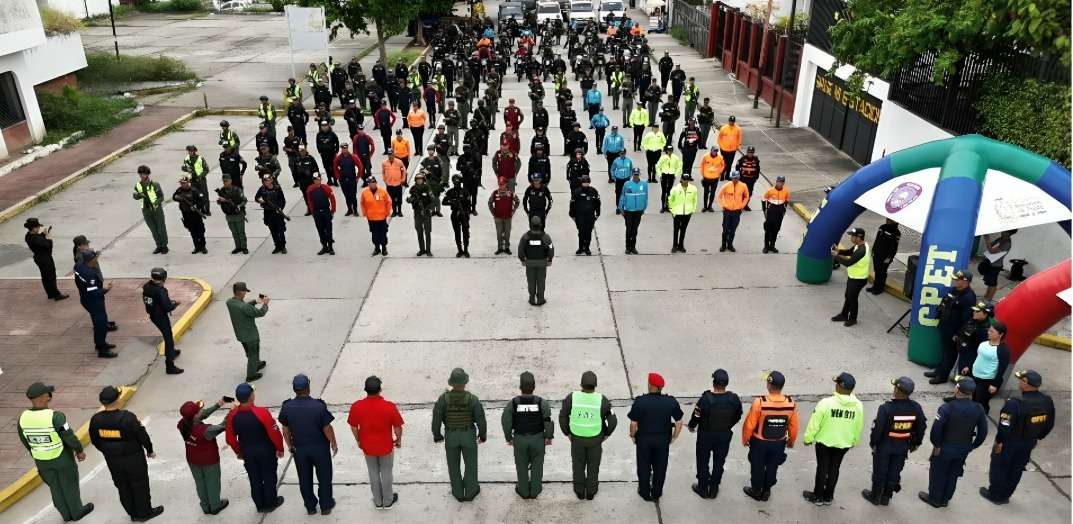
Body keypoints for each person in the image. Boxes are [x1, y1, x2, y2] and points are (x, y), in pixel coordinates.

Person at [18, 383, 94, 522]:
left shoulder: (23, 418)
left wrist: (38, 452)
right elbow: (68, 436)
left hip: (42, 462)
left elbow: (25, 441)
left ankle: (66, 515)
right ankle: (77, 512)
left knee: (55, 488)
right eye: (48, 393)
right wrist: (79, 450)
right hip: (62, 458)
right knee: (69, 485)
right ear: (43, 398)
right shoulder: (56, 416)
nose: (49, 395)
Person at [90, 386, 164, 521]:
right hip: (133, 458)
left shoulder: (96, 420)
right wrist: (149, 450)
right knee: (139, 485)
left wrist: (107, 450)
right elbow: (142, 435)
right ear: (118, 399)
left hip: (113, 460)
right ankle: (144, 513)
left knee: (123, 487)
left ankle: (133, 514)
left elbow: (95, 440)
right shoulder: (128, 418)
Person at [982, 370, 1055, 504]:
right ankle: (1006, 495)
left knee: (1000, 467)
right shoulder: (1047, 401)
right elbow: (1049, 424)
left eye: (1021, 379)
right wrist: (1036, 437)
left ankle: (995, 495)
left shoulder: (1014, 404)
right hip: (1029, 442)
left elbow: (1004, 427)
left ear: (1026, 384)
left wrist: (999, 442)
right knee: (1016, 468)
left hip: (1010, 443)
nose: (1019, 381)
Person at [919, 378, 988, 508]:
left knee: (938, 473)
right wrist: (973, 446)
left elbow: (936, 429)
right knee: (954, 473)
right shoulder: (979, 409)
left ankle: (935, 498)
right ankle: (946, 498)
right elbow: (983, 432)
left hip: (945, 447)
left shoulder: (947, 408)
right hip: (963, 448)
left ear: (956, 389)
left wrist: (937, 445)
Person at [862, 377, 926, 506]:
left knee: (880, 472)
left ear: (896, 389)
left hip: (884, 447)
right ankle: (886, 497)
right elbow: (921, 427)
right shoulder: (916, 408)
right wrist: (916, 443)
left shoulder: (886, 408)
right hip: (902, 447)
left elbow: (877, 429)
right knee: (894, 472)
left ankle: (875, 497)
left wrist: (873, 443)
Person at [802, 373, 864, 506]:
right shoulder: (858, 405)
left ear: (839, 386)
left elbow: (814, 423)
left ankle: (818, 496)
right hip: (844, 444)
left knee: (822, 468)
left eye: (836, 383)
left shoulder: (826, 403)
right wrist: (854, 441)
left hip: (824, 443)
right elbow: (858, 425)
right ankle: (828, 496)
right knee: (835, 468)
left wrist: (808, 438)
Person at [279, 374, 338, 515]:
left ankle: (310, 507)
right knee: (324, 477)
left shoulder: (287, 407)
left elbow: (285, 429)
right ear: (308, 388)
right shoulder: (319, 406)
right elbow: (327, 428)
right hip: (319, 449)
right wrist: (333, 444)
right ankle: (326, 505)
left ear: (294, 389)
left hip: (299, 449)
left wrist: (289, 445)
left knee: (304, 479)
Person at [226, 383, 286, 513]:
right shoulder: (262, 413)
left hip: (248, 452)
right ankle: (271, 502)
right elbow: (274, 433)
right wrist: (279, 448)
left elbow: (230, 439)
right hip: (265, 451)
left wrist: (239, 451)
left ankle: (259, 505)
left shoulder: (232, 415)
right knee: (269, 477)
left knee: (254, 479)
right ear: (252, 396)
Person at [742, 371, 799, 502]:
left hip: (759, 442)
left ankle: (756, 490)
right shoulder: (791, 403)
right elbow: (793, 426)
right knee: (773, 466)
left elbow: (750, 424)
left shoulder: (760, 402)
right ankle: (767, 490)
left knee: (757, 466)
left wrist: (745, 439)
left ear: (769, 384)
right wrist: (791, 441)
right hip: (778, 443)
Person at [431, 368, 487, 502]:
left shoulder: (443, 399)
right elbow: (480, 418)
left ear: (452, 383)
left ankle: (458, 492)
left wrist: (437, 435)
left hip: (451, 436)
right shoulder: (472, 399)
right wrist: (482, 434)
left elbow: (437, 418)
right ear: (464, 382)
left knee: (453, 465)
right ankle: (471, 491)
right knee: (471, 465)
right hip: (468, 435)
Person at [560, 371, 617, 500]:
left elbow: (562, 416)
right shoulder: (602, 400)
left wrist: (567, 432)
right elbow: (613, 420)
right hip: (595, 440)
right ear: (595, 385)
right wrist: (606, 434)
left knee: (578, 464)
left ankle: (579, 491)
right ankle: (591, 492)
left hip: (577, 439)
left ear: (581, 384)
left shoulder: (572, 397)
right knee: (593, 465)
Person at [348, 376, 404, 509]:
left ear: (366, 390)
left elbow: (354, 426)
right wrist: (399, 440)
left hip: (367, 446)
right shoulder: (389, 407)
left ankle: (378, 501)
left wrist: (358, 440)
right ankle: (388, 501)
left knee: (373, 472)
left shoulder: (357, 406)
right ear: (380, 389)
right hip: (385, 446)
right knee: (386, 472)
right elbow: (397, 427)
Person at [628, 373, 684, 502]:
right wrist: (674, 437)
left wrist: (632, 436)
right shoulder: (670, 401)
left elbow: (633, 423)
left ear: (650, 385)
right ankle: (657, 492)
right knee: (660, 466)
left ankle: (644, 492)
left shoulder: (640, 401)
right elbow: (679, 421)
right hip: (663, 440)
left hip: (644, 440)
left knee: (643, 466)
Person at [688, 369, 742, 500]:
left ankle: (702, 488)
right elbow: (738, 415)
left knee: (702, 461)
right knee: (719, 462)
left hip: (706, 435)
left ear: (713, 382)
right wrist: (728, 425)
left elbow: (696, 415)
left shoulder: (706, 399)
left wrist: (692, 425)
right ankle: (714, 488)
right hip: (724, 435)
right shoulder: (733, 399)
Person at [502, 371, 555, 499]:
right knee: (537, 466)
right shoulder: (541, 402)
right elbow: (547, 420)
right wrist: (548, 436)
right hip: (538, 439)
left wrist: (509, 438)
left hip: (520, 439)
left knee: (521, 466)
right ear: (534, 386)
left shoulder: (513, 403)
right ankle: (535, 490)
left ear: (520, 387)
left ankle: (523, 491)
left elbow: (506, 421)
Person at [178, 397, 231, 515]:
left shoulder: (182, 424)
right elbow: (223, 426)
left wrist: (217, 405)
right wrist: (231, 413)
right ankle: (215, 506)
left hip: (192, 459)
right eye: (199, 410)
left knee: (200, 483)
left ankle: (206, 506)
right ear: (196, 416)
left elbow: (200, 416)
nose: (202, 410)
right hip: (209, 462)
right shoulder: (206, 431)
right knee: (212, 483)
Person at [926, 270, 978, 384]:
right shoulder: (954, 290)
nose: (955, 281)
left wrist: (958, 334)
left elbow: (967, 319)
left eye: (958, 279)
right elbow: (945, 303)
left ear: (966, 282)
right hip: (945, 326)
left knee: (950, 354)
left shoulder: (969, 297)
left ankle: (942, 376)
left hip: (954, 331)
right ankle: (938, 370)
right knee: (944, 350)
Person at [74, 250, 116, 357]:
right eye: (95, 259)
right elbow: (94, 292)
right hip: (93, 302)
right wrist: (107, 289)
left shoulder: (78, 266)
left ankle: (101, 344)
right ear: (91, 261)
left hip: (85, 298)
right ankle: (102, 350)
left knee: (101, 321)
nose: (96, 260)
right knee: (100, 325)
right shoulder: (90, 274)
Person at [142, 267, 183, 375]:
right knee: (168, 337)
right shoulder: (160, 291)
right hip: (160, 316)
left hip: (153, 315)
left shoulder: (147, 286)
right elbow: (167, 307)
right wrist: (175, 304)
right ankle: (170, 365)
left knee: (167, 335)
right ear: (164, 278)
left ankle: (172, 352)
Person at [226, 282, 269, 382]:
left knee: (249, 352)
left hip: (241, 334)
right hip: (251, 336)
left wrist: (255, 301)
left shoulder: (229, 302)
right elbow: (260, 313)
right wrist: (265, 304)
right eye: (244, 291)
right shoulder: (244, 307)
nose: (245, 293)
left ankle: (256, 364)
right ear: (239, 292)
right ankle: (251, 375)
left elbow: (243, 306)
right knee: (253, 354)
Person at [831, 228, 871, 327]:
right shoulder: (858, 246)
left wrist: (836, 256)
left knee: (852, 298)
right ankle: (844, 315)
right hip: (853, 276)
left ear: (858, 237)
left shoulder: (862, 250)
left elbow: (848, 262)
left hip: (859, 279)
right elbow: (849, 252)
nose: (851, 238)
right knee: (848, 296)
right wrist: (838, 251)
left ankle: (853, 319)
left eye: (852, 236)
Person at [969, 322, 1011, 413]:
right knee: (974, 397)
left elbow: (1002, 369)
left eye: (992, 331)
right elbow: (978, 357)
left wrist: (995, 384)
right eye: (989, 330)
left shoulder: (1003, 350)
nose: (988, 332)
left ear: (1001, 334)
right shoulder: (983, 343)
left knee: (982, 401)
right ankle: (973, 415)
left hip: (987, 380)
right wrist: (968, 367)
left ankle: (982, 417)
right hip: (975, 376)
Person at [24, 218, 67, 300]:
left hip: (39, 257)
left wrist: (43, 235)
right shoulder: (35, 238)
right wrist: (49, 238)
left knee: (45, 276)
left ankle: (50, 294)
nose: (39, 229)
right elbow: (48, 246)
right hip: (45, 258)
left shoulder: (28, 236)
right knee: (51, 276)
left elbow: (39, 240)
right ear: (34, 228)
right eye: (38, 227)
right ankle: (56, 295)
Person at [518, 215, 554, 306]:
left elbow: (521, 248)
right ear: (540, 225)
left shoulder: (525, 237)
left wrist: (522, 259)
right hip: (542, 262)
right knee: (541, 281)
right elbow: (550, 248)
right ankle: (540, 299)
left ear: (530, 225)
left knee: (531, 281)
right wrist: (550, 258)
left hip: (529, 262)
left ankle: (532, 299)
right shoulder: (545, 237)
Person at [133, 166, 169, 254]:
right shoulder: (138, 185)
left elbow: (161, 197)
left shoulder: (155, 184)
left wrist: (156, 203)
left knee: (161, 229)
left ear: (148, 174)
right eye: (140, 174)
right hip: (146, 211)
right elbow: (135, 196)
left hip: (156, 210)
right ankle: (158, 246)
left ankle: (164, 246)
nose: (142, 176)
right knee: (153, 229)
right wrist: (137, 196)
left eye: (144, 174)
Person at [254, 175, 288, 254]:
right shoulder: (262, 189)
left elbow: (283, 200)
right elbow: (256, 198)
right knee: (273, 230)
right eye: (265, 181)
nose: (267, 182)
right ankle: (277, 246)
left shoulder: (277, 188)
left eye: (268, 180)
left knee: (281, 230)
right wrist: (260, 201)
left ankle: (283, 246)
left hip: (277, 212)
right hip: (268, 212)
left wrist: (280, 208)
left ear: (271, 180)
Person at [173, 177, 208, 254]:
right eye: (181, 183)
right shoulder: (179, 190)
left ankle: (203, 246)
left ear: (188, 182)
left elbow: (202, 201)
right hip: (186, 214)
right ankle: (197, 247)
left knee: (200, 230)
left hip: (195, 214)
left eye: (184, 183)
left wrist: (196, 206)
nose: (183, 184)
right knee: (192, 231)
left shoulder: (194, 190)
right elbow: (174, 197)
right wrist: (178, 198)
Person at [304, 174, 337, 255]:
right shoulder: (310, 189)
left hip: (326, 211)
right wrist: (312, 212)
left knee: (329, 230)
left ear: (321, 179)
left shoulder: (326, 188)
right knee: (320, 230)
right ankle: (324, 247)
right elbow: (310, 201)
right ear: (313, 180)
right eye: (315, 179)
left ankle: (330, 247)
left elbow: (333, 199)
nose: (317, 181)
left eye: (318, 179)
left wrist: (332, 211)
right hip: (317, 212)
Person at [406, 172, 437, 257]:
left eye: (421, 179)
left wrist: (427, 208)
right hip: (417, 212)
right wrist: (410, 200)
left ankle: (428, 250)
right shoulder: (413, 188)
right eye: (418, 179)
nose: (419, 181)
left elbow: (433, 199)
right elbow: (411, 198)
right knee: (419, 231)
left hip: (426, 212)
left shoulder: (427, 188)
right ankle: (422, 249)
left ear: (423, 180)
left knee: (427, 232)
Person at [569, 175, 601, 255]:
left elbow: (598, 203)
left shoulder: (593, 191)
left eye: (587, 182)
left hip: (590, 215)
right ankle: (580, 248)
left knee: (588, 231)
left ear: (589, 182)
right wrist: (572, 214)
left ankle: (587, 248)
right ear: (581, 183)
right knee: (581, 231)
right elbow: (572, 204)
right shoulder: (576, 192)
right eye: (584, 182)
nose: (585, 184)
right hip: (580, 215)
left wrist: (598, 213)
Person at [717, 171, 749, 252]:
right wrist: (723, 205)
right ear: (731, 178)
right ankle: (723, 245)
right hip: (727, 211)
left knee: (733, 229)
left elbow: (746, 196)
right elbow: (719, 197)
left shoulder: (743, 186)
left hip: (737, 211)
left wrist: (742, 206)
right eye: (734, 178)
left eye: (737, 178)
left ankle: (730, 245)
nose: (736, 179)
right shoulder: (726, 186)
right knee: (725, 229)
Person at [442, 175, 473, 257]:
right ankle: (460, 250)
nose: (456, 182)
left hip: (464, 213)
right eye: (455, 181)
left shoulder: (465, 191)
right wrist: (452, 202)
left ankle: (466, 250)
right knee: (457, 232)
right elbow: (443, 202)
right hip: (455, 213)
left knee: (465, 232)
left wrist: (465, 210)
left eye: (458, 181)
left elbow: (469, 203)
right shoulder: (450, 192)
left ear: (460, 181)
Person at [361, 178, 393, 256]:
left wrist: (387, 212)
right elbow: (362, 203)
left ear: (376, 183)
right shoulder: (365, 192)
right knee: (374, 233)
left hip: (381, 218)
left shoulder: (382, 191)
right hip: (371, 218)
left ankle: (384, 248)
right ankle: (377, 248)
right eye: (369, 183)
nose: (371, 184)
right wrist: (365, 213)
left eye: (373, 182)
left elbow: (389, 202)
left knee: (383, 233)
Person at [979, 230, 1014, 300]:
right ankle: (986, 296)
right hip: (991, 262)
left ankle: (989, 298)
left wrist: (987, 239)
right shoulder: (1001, 239)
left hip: (996, 265)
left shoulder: (1007, 243)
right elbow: (991, 245)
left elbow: (992, 251)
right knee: (989, 282)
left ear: (1009, 233)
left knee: (992, 283)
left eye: (1005, 231)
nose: (1002, 232)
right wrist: (989, 242)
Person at [668, 173, 699, 253]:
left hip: (687, 213)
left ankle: (681, 245)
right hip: (677, 213)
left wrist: (692, 210)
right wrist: (672, 210)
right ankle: (675, 245)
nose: (685, 181)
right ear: (681, 179)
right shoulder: (675, 189)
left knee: (683, 229)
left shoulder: (693, 189)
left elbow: (695, 200)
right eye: (684, 180)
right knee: (676, 229)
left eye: (687, 180)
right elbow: (670, 199)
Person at [868, 219, 901, 293]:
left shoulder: (897, 232)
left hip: (886, 256)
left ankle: (879, 289)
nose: (887, 219)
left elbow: (895, 247)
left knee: (882, 272)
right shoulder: (882, 227)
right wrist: (873, 249)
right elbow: (877, 239)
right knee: (876, 270)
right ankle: (875, 286)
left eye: (889, 219)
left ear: (895, 221)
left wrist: (890, 258)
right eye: (887, 218)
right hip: (877, 253)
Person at [620, 168, 648, 254]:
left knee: (635, 229)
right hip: (628, 211)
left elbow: (646, 197)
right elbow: (623, 195)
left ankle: (633, 247)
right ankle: (628, 247)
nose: (636, 176)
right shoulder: (627, 184)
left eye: (637, 174)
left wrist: (644, 208)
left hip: (638, 211)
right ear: (632, 174)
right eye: (634, 174)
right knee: (629, 229)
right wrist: (621, 207)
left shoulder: (644, 184)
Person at [489, 177, 520, 255]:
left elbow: (517, 201)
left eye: (502, 184)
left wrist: (513, 211)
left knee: (507, 233)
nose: (501, 186)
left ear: (506, 184)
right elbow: (490, 203)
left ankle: (507, 247)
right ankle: (499, 248)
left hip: (508, 217)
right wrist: (493, 213)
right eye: (500, 184)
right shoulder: (495, 193)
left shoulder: (510, 193)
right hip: (498, 217)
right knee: (499, 233)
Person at [761, 176, 790, 253]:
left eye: (782, 182)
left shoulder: (786, 191)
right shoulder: (770, 190)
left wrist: (784, 210)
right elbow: (763, 199)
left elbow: (786, 201)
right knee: (768, 229)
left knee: (776, 229)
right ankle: (766, 246)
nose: (780, 183)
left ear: (783, 183)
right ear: (776, 182)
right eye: (779, 181)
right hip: (771, 210)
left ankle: (772, 245)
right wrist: (764, 210)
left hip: (780, 211)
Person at [334, 143, 363, 216]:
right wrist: (338, 177)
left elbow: (360, 166)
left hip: (352, 179)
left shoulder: (353, 157)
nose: (344, 150)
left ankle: (355, 210)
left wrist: (358, 177)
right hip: (343, 180)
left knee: (353, 195)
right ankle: (349, 209)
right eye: (343, 149)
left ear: (347, 148)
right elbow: (335, 167)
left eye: (345, 148)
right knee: (347, 196)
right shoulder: (339, 158)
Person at [182, 146, 212, 215]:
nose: (190, 152)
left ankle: (207, 210)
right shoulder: (187, 159)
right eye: (189, 151)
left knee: (204, 195)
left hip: (201, 180)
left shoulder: (200, 158)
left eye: (191, 151)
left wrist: (200, 176)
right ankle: (199, 209)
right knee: (195, 195)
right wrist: (187, 169)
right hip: (192, 180)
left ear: (195, 151)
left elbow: (206, 169)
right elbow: (183, 167)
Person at [655, 146, 682, 212]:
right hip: (664, 174)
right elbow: (658, 166)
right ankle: (662, 206)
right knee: (664, 191)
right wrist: (660, 174)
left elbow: (679, 166)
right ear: (667, 151)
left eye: (671, 150)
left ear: (672, 151)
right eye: (668, 150)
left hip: (671, 175)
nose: (669, 152)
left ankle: (668, 206)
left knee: (669, 191)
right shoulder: (663, 157)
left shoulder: (675, 158)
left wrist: (675, 174)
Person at [382, 151, 407, 217]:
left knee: (399, 198)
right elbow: (383, 172)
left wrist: (403, 180)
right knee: (391, 199)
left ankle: (399, 211)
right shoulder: (384, 163)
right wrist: (385, 180)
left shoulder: (399, 162)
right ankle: (394, 211)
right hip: (389, 184)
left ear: (394, 155)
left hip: (398, 184)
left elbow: (404, 171)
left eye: (391, 154)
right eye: (389, 155)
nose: (390, 156)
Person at [698, 147, 724, 212]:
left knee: (712, 193)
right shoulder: (706, 156)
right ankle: (705, 206)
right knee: (706, 192)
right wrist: (703, 174)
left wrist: (719, 173)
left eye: (716, 151)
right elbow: (702, 165)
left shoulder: (720, 158)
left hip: (715, 178)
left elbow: (722, 165)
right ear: (711, 151)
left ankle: (710, 206)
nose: (715, 152)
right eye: (714, 151)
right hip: (706, 178)